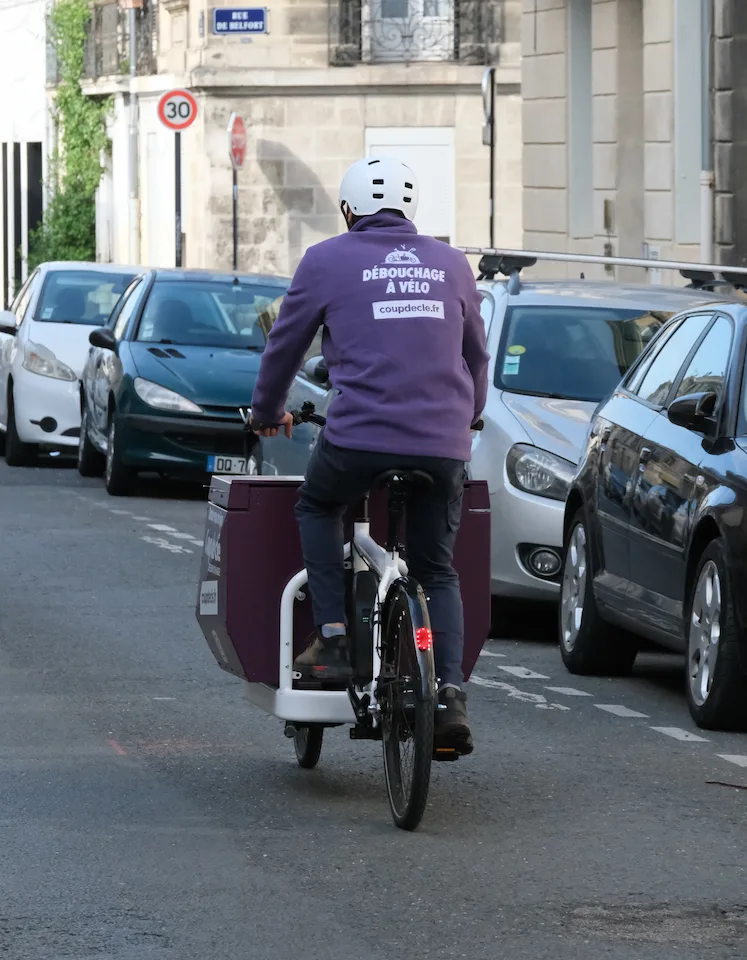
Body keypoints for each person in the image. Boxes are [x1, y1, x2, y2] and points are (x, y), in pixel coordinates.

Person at [249, 157, 489, 754]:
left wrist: (265, 412)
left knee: (318, 505)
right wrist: (471, 414)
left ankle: (331, 636)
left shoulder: (326, 260)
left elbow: (285, 344)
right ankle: (449, 696)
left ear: (348, 210)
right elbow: (476, 358)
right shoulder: (452, 263)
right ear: (410, 209)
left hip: (357, 436)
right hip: (443, 442)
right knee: (436, 570)